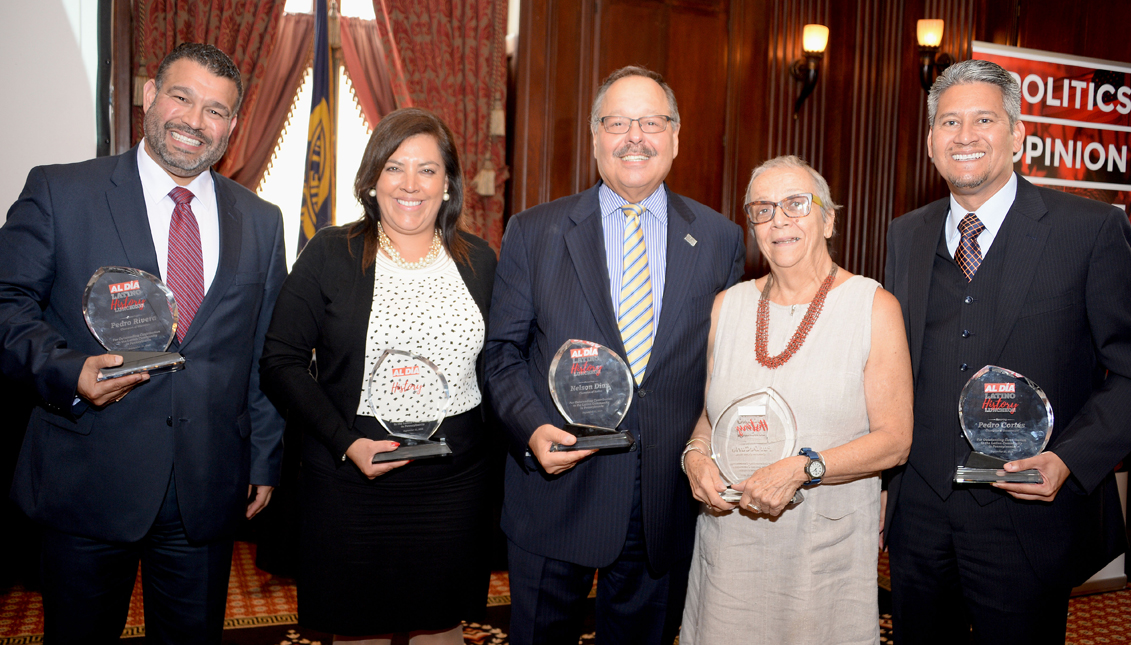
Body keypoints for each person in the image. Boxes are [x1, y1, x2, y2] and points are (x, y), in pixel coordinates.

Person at [0, 43, 286, 642]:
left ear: (232, 128)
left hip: (206, 490)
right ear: (150, 97)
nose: (193, 120)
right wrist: (67, 371)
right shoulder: (60, 192)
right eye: (181, 97)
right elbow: (7, 305)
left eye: (215, 111)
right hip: (88, 481)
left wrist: (262, 458)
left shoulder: (261, 219)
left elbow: (263, 352)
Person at [485, 66, 745, 645]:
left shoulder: (720, 239)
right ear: (595, 137)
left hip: (661, 500)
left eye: (651, 122)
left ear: (675, 137)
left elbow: (724, 371)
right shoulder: (534, 231)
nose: (635, 137)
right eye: (618, 122)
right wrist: (531, 431)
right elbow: (501, 355)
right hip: (556, 489)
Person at [884, 59, 1131, 644]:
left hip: (1027, 513)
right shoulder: (905, 234)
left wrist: (1069, 460)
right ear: (929, 141)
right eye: (949, 123)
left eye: (984, 120)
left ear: (1018, 133)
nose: (964, 136)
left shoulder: (1089, 230)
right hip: (920, 515)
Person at [259, 107, 497, 644]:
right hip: (351, 479)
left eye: (428, 169)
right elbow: (280, 361)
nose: (410, 184)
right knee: (355, 628)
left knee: (442, 625)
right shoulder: (329, 253)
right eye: (395, 167)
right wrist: (347, 444)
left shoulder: (481, 261)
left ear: (449, 184)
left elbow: (498, 366)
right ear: (371, 180)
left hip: (454, 481)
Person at [679, 155, 913, 644]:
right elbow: (710, 416)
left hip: (821, 547)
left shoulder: (872, 306)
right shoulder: (729, 306)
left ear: (828, 219)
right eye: (762, 209)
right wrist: (694, 457)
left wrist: (802, 468)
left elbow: (894, 442)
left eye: (796, 204)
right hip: (731, 540)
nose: (778, 219)